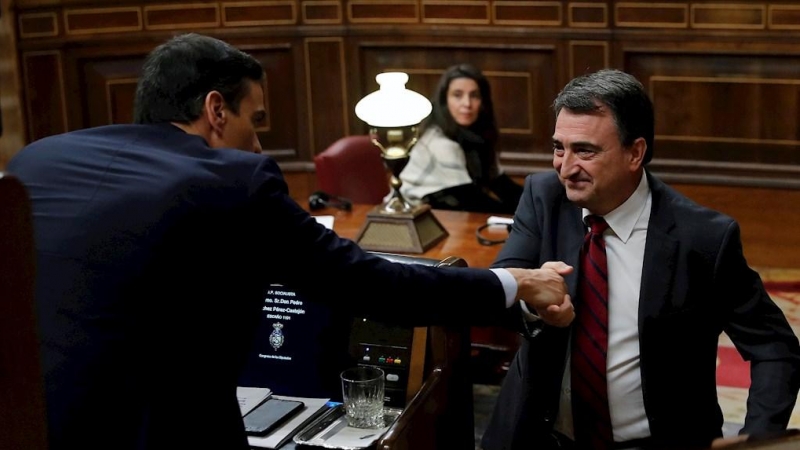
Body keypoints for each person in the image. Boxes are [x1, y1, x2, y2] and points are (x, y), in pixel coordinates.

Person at [6, 33, 573, 450]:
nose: (257, 145)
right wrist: (513, 282)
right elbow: (367, 281)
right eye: (256, 121)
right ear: (215, 109)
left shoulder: (40, 158)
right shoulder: (232, 182)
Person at [480, 69, 800, 450]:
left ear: (635, 153)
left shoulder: (703, 237)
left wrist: (756, 440)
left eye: (585, 150)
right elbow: (498, 291)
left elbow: (775, 349)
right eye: (558, 147)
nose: (565, 167)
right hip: (539, 436)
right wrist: (532, 300)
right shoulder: (543, 197)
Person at [397, 63, 523, 214]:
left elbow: (501, 184)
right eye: (457, 95)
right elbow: (471, 200)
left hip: (448, 208)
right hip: (410, 215)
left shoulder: (476, 137)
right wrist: (525, 217)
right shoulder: (439, 142)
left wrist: (540, 204)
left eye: (474, 96)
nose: (467, 104)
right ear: (444, 101)